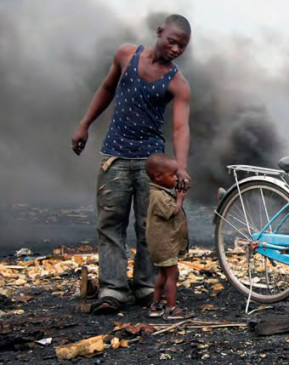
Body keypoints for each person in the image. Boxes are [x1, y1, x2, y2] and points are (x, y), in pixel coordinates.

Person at [71, 14, 192, 314]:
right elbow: (107, 89)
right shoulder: (126, 55)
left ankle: (147, 286)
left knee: (149, 227)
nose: (176, 49)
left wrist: (180, 167)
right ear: (160, 32)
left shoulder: (178, 82)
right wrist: (84, 124)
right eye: (172, 42)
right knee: (110, 225)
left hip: (152, 164)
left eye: (183, 46)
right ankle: (112, 289)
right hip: (115, 155)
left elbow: (180, 128)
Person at [144, 154, 193, 320]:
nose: (174, 179)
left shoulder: (159, 192)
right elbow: (172, 212)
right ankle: (171, 308)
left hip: (162, 245)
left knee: (163, 275)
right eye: (172, 176)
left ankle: (156, 305)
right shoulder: (158, 196)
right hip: (164, 245)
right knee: (173, 275)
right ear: (158, 176)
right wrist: (180, 199)